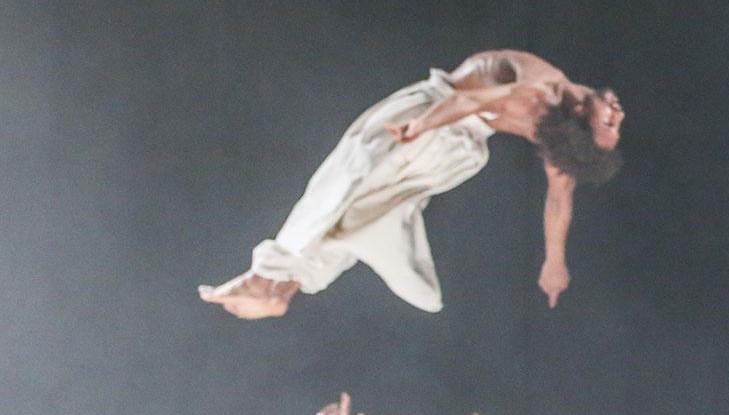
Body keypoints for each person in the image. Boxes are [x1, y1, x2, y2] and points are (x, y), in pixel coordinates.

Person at [200, 49, 624, 317]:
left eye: (610, 123)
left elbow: (558, 196)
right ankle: (283, 287)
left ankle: (267, 276)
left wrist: (554, 261)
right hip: (443, 130)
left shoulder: (551, 116)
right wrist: (420, 124)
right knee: (358, 212)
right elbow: (467, 101)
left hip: (440, 130)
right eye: (613, 118)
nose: (616, 111)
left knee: (346, 180)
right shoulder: (548, 99)